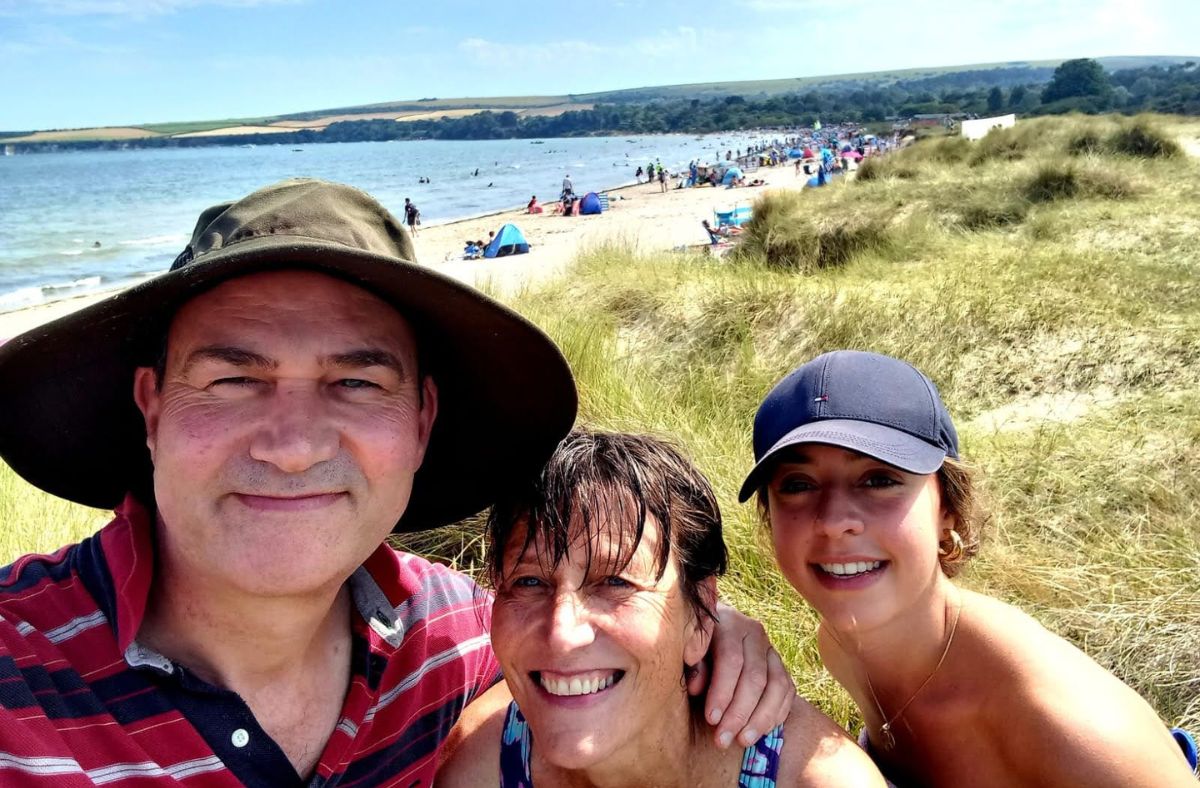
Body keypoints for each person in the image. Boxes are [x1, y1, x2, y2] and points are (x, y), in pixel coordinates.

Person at [0, 179, 792, 786]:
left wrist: (706, 632)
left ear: (421, 420)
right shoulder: (16, 672)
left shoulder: (455, 640)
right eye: (234, 381)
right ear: (152, 410)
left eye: (356, 383)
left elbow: (584, 643)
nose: (294, 447)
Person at [740, 350, 1200, 787]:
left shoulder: (1072, 730)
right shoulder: (842, 645)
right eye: (797, 485)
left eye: (879, 479)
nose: (833, 520)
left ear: (949, 510)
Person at [438, 429, 885, 787]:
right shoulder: (480, 768)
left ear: (701, 614)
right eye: (529, 582)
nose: (562, 633)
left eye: (616, 582)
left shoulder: (819, 779)